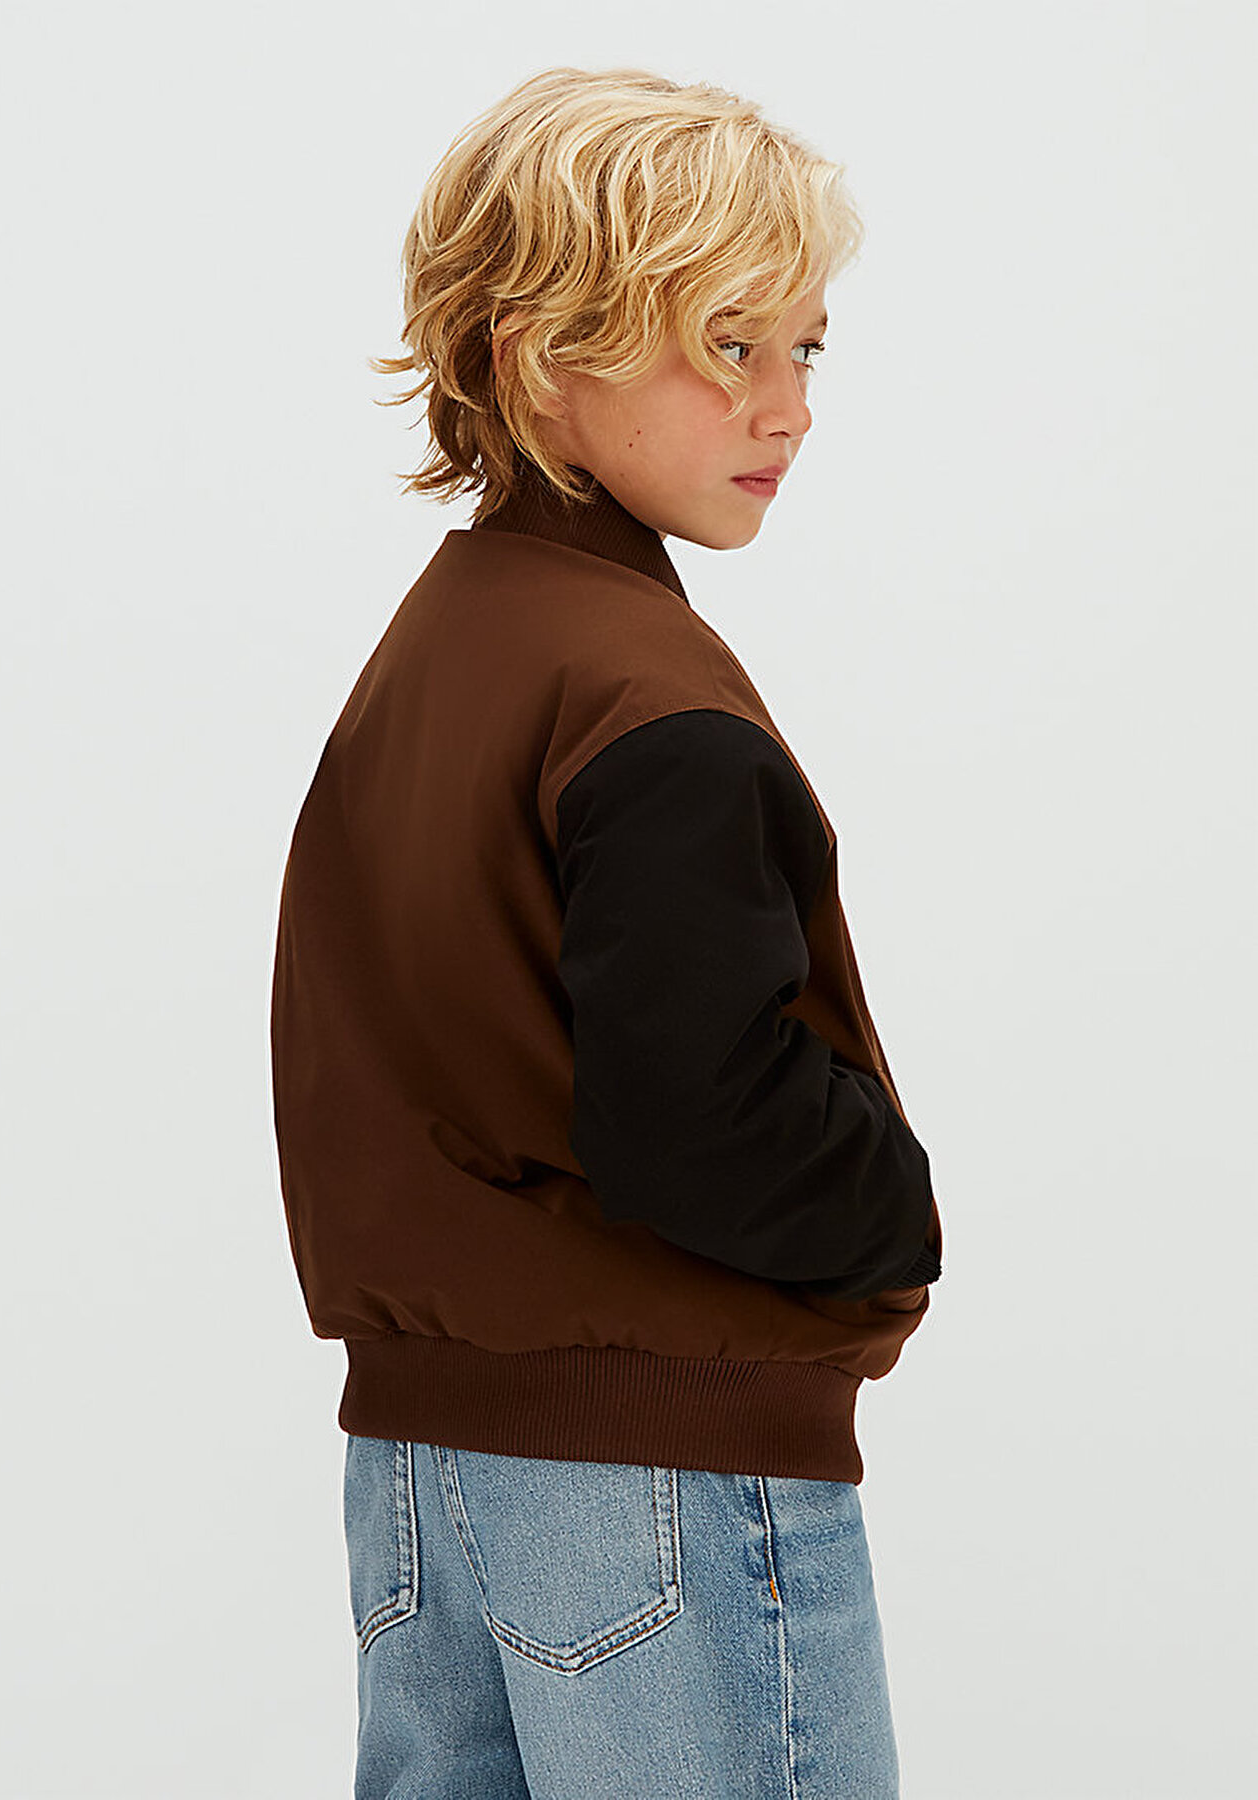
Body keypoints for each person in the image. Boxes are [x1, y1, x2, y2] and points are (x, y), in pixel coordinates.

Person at [270, 64, 944, 1800]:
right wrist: (893, 1215)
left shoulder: (440, 646)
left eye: (806, 347)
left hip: (425, 1474)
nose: (787, 406)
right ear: (533, 358)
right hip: (661, 1469)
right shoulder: (644, 695)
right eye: (726, 344)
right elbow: (694, 1110)